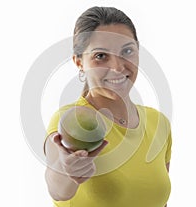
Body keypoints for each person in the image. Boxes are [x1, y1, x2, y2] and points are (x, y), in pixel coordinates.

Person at [44, 6, 172, 207]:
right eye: (101, 56)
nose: (117, 67)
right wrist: (67, 169)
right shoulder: (72, 119)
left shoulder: (158, 123)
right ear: (79, 62)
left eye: (127, 51)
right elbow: (57, 188)